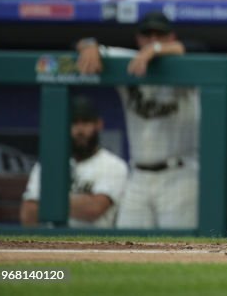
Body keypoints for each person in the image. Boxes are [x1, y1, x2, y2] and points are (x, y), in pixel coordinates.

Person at [75, 12, 197, 229]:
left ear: (171, 37)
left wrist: (156, 50)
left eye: (159, 34)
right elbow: (85, 44)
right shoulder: (130, 61)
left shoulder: (185, 62)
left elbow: (201, 47)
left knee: (180, 248)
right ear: (138, 39)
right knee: (125, 245)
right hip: (138, 176)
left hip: (179, 175)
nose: (152, 39)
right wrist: (88, 45)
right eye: (147, 35)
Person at [20, 96, 128, 228]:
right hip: (53, 242)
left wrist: (45, 201)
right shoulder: (49, 163)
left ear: (98, 124)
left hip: (96, 243)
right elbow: (28, 214)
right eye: (74, 123)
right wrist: (79, 203)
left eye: (86, 122)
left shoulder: (114, 165)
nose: (80, 130)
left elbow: (93, 209)